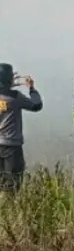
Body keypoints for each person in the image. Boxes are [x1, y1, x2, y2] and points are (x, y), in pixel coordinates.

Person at [0, 63, 43, 193]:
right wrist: (32, 88)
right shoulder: (15, 97)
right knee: (13, 184)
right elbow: (36, 105)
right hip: (11, 146)